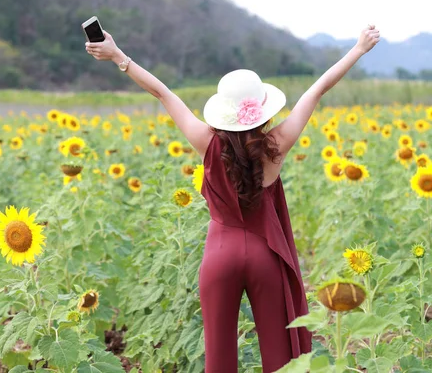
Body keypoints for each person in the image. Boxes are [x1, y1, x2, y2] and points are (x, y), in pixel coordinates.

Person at [85, 25, 379, 372]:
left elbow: (162, 93)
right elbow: (318, 90)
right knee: (280, 358)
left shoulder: (205, 141)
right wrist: (358, 49)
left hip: (219, 256)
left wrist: (118, 56)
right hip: (263, 255)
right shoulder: (276, 146)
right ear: (264, 110)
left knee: (219, 359)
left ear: (223, 112)